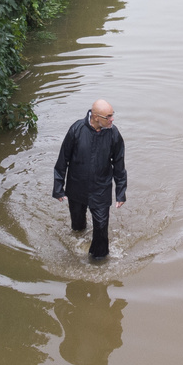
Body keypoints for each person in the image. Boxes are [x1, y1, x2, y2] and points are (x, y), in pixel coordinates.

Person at [53, 99, 127, 260]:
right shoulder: (76, 130)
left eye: (112, 115)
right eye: (108, 116)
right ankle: (79, 239)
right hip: (77, 187)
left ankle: (98, 261)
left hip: (101, 189)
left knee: (101, 227)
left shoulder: (114, 134)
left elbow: (119, 165)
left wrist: (121, 192)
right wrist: (58, 187)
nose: (112, 119)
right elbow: (63, 159)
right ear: (95, 117)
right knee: (78, 226)